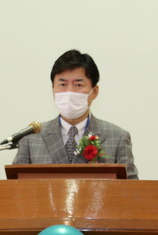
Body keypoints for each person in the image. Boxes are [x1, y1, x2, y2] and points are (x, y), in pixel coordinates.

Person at [13, 49, 138, 179]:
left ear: (94, 91)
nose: (69, 91)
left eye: (78, 84)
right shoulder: (30, 138)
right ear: (53, 89)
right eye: (62, 84)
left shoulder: (117, 138)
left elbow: (131, 191)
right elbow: (16, 190)